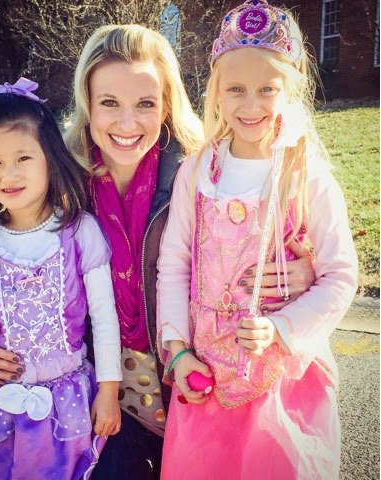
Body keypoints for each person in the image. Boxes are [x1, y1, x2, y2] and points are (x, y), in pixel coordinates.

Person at [0, 26, 316, 480]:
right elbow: (1, 257)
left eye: (146, 104)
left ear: (167, 105)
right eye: (109, 103)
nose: (127, 123)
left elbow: (278, 233)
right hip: (100, 392)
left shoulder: (205, 175)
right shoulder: (58, 183)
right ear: (87, 104)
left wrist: (303, 270)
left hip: (194, 380)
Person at [156, 1, 358, 479]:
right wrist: (178, 349)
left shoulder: (307, 177)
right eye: (236, 90)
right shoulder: (197, 171)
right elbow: (175, 263)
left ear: (291, 90)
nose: (251, 106)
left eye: (267, 89)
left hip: (279, 384)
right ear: (216, 92)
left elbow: (340, 276)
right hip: (204, 375)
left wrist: (282, 328)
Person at [0, 79, 122, 480]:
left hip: (67, 404)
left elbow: (105, 318)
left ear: (49, 158)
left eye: (23, 157)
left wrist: (108, 392)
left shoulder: (80, 232)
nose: (10, 174)